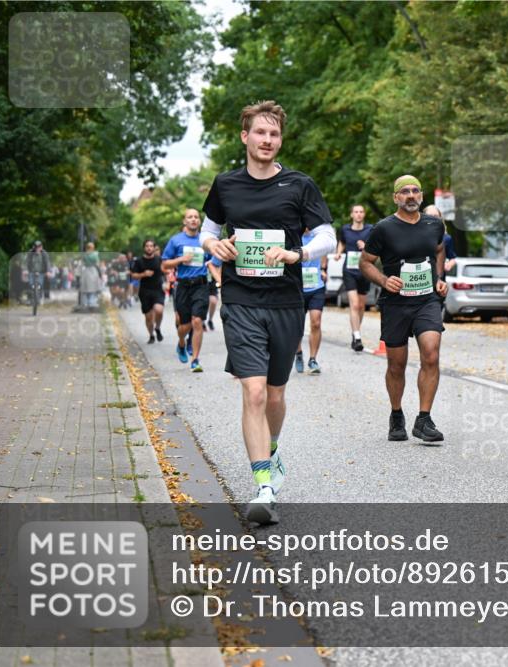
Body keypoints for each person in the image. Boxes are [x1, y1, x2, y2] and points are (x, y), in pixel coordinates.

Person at [200, 100, 335, 524]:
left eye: (274, 134)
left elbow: (328, 236)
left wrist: (299, 254)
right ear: (245, 136)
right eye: (260, 132)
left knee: (275, 393)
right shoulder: (226, 185)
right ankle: (263, 486)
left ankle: (272, 451)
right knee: (254, 392)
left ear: (280, 140)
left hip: (285, 302)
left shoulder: (299, 185)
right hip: (240, 300)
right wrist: (214, 245)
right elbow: (208, 230)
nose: (267, 140)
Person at [360, 175, 448, 444]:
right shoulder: (383, 228)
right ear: (396, 197)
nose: (411, 195)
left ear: (421, 195)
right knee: (396, 365)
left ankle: (424, 419)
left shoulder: (434, 224)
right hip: (396, 303)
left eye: (415, 190)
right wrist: (384, 280)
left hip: (427, 300)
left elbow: (439, 250)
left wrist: (438, 278)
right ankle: (396, 414)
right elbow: (365, 262)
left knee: (431, 354)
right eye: (405, 191)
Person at [162, 209, 210, 372]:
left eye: (196, 217)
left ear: (199, 221)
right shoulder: (176, 240)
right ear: (185, 221)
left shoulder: (205, 241)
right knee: (185, 325)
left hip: (201, 285)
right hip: (183, 285)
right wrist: (181, 259)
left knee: (197, 321)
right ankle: (182, 343)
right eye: (190, 217)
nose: (193, 219)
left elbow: (212, 260)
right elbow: (165, 264)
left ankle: (195, 360)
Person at [333, 204, 373, 351]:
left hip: (365, 270)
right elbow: (342, 242)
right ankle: (357, 337)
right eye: (356, 212)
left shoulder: (370, 229)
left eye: (361, 212)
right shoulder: (345, 229)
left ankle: (356, 331)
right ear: (352, 215)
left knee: (361, 306)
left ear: (364, 214)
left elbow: (376, 247)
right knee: (354, 304)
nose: (358, 214)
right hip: (349, 270)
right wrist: (338, 252)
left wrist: (366, 246)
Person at [294, 225, 327, 375]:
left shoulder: (319, 236)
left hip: (316, 286)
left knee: (316, 322)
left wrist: (323, 269)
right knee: (297, 325)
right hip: (297, 288)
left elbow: (324, 251)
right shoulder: (294, 235)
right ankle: (298, 353)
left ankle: (313, 359)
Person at [131, 239, 165, 343]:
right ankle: (151, 335)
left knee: (159, 310)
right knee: (149, 317)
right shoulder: (139, 261)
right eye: (147, 246)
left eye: (151, 246)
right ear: (144, 248)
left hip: (157, 289)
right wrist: (143, 274)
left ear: (154, 248)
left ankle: (157, 328)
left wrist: (167, 282)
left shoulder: (159, 259)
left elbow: (165, 271)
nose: (149, 248)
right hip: (145, 291)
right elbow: (133, 275)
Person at [206, 256, 220, 331]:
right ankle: (201, 320)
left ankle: (210, 320)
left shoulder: (213, 254)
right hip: (201, 280)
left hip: (212, 280)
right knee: (203, 301)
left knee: (213, 301)